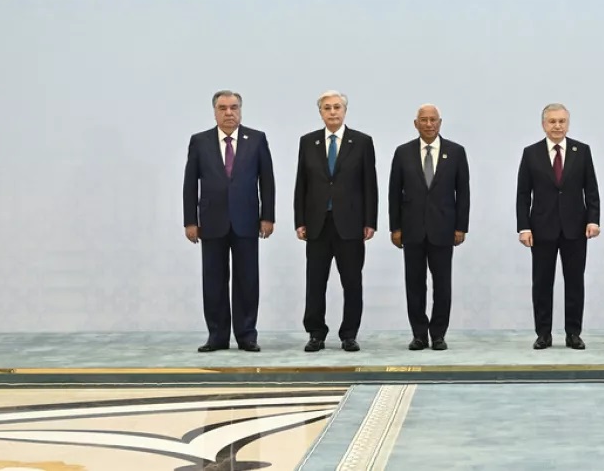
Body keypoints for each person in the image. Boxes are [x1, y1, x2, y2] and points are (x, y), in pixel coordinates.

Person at [182, 90, 274, 353]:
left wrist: (267, 216)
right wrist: (190, 220)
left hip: (247, 221)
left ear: (240, 110)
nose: (229, 113)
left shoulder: (256, 139)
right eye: (222, 108)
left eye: (234, 107)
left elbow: (267, 181)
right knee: (213, 281)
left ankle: (246, 335)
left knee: (247, 280)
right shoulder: (199, 141)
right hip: (211, 221)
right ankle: (217, 336)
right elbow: (190, 183)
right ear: (214, 112)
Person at [293, 90, 377, 353]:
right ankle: (316, 333)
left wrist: (370, 221)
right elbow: (301, 184)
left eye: (337, 107)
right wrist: (299, 220)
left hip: (350, 224)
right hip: (317, 224)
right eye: (327, 108)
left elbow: (369, 184)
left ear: (345, 111)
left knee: (352, 282)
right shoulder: (308, 142)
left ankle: (349, 334)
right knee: (315, 282)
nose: (332, 112)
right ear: (320, 112)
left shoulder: (362, 142)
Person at [516, 103, 601, 350]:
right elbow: (523, 194)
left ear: (568, 124)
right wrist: (523, 227)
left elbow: (591, 189)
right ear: (544, 124)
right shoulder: (531, 153)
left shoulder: (581, 151)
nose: (557, 126)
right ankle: (543, 334)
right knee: (542, 283)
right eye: (552, 121)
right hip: (541, 229)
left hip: (576, 228)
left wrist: (593, 220)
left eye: (561, 121)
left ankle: (573, 334)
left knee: (575, 283)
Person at [388, 104, 471, 351]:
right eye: (423, 120)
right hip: (411, 229)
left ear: (440, 123)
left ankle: (438, 335)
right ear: (416, 124)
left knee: (442, 285)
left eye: (433, 119)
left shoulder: (455, 152)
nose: (428, 124)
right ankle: (419, 335)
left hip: (444, 229)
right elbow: (394, 193)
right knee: (414, 284)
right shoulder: (403, 152)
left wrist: (461, 227)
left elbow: (463, 193)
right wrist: (395, 227)